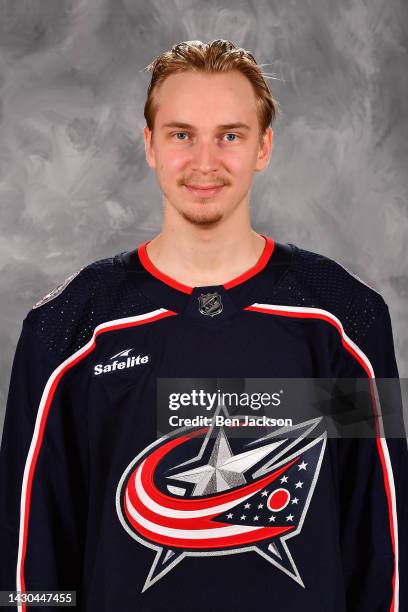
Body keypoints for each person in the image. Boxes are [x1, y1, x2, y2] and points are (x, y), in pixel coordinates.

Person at [0, 39, 406, 612]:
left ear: (264, 146)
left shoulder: (343, 321)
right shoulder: (69, 329)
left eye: (230, 135)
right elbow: (31, 557)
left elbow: (383, 543)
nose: (205, 162)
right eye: (182, 134)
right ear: (150, 144)